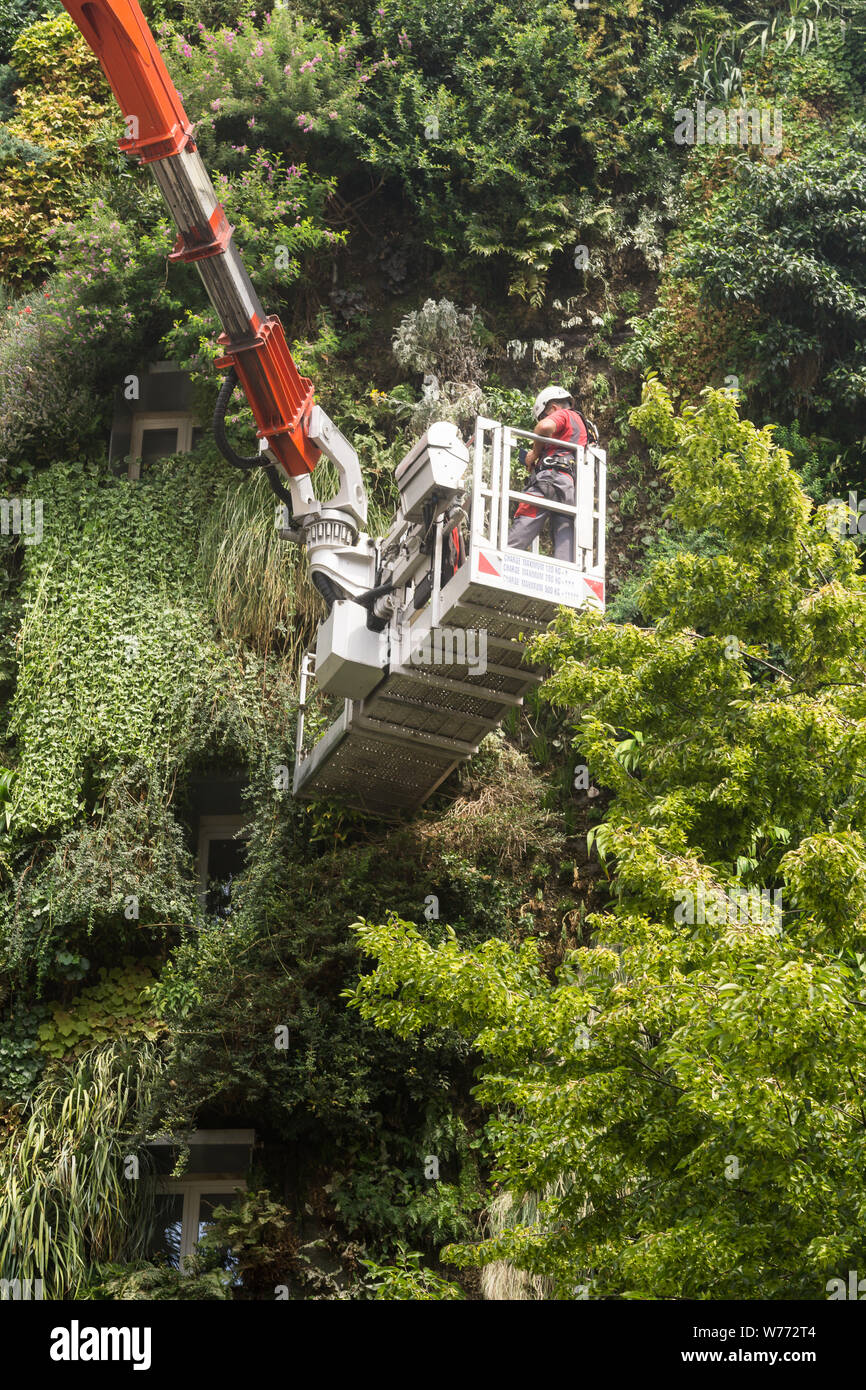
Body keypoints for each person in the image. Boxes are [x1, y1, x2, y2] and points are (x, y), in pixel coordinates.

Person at [507, 386, 590, 562]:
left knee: (527, 515)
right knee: (564, 527)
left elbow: (544, 427)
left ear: (553, 408)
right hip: (567, 485)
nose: (544, 420)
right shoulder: (582, 426)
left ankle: (504, 557)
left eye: (544, 415)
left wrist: (535, 454)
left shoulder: (564, 414)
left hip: (550, 476)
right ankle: (565, 570)